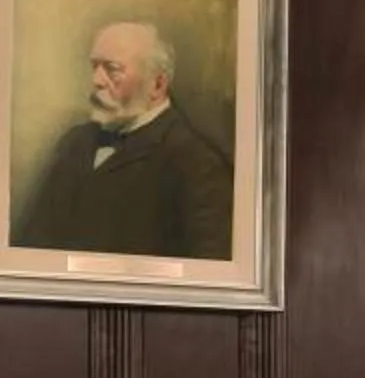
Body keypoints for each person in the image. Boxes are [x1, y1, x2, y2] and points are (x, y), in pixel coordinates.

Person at [12, 19, 233, 259]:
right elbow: (30, 243)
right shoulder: (74, 143)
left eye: (112, 69)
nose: (96, 80)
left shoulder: (198, 164)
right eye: (94, 67)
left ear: (157, 85)